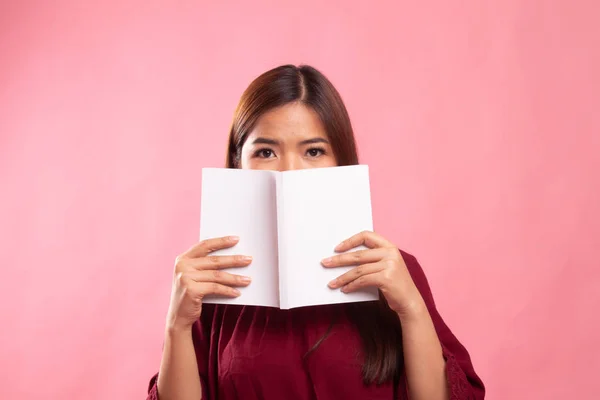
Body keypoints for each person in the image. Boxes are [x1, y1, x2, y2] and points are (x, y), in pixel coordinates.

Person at [146, 64, 485, 400]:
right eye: (265, 152)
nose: (289, 171)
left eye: (313, 151)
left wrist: (410, 307)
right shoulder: (211, 282)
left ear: (341, 161)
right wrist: (177, 324)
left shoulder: (394, 271)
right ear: (239, 162)